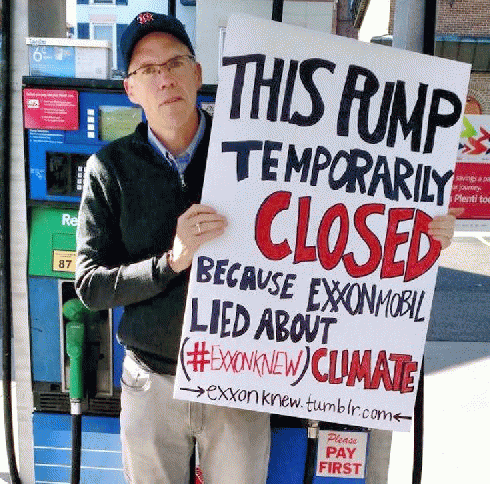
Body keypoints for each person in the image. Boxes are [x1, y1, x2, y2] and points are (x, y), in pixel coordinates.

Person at [75, 11, 461, 484]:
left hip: (239, 380)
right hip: (151, 381)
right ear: (130, 89)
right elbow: (90, 286)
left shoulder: (258, 143)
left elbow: (339, 208)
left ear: (198, 74)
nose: (164, 79)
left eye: (175, 63)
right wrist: (171, 261)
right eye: (147, 70)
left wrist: (413, 232)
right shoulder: (108, 169)